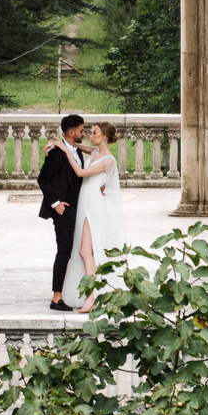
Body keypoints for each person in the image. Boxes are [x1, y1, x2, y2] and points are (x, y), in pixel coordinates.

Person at [35, 113, 86, 311]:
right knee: (64, 251)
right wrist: (56, 203)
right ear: (71, 132)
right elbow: (42, 179)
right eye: (81, 130)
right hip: (63, 210)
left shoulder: (74, 149)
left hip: (77, 208)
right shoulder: (56, 153)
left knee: (74, 250)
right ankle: (56, 297)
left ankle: (72, 290)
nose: (84, 133)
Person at [73, 121, 129, 298]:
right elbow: (81, 147)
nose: (91, 135)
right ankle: (91, 293)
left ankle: (92, 296)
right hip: (85, 199)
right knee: (84, 250)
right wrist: (64, 144)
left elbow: (81, 173)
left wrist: (66, 152)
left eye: (94, 132)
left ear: (104, 136)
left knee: (86, 250)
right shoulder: (96, 152)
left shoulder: (109, 160)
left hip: (93, 202)